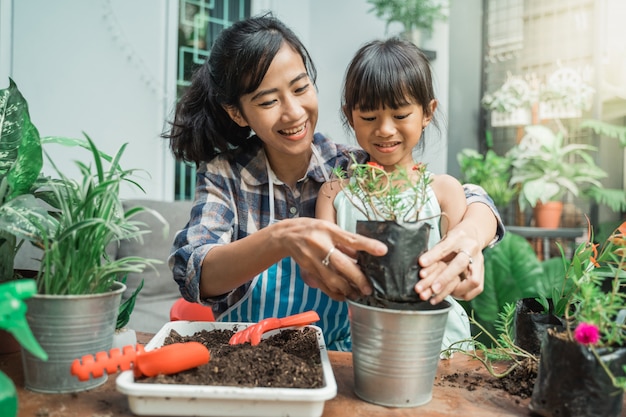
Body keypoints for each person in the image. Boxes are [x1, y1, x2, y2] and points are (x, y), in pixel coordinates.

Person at [163, 14, 502, 351]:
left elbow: (455, 192)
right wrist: (283, 237)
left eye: (300, 88)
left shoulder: (348, 167)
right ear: (238, 113)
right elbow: (196, 272)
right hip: (247, 355)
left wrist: (471, 233)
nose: (294, 112)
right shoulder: (226, 174)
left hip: (334, 358)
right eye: (268, 101)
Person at [316, 38, 472, 348]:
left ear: (427, 113)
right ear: (350, 115)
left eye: (400, 116)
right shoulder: (334, 193)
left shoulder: (443, 192)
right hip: (365, 339)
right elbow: (329, 272)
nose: (385, 129)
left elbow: (460, 275)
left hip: (439, 341)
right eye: (370, 117)